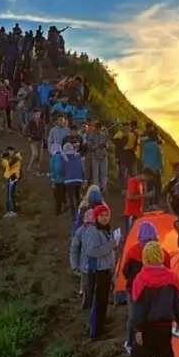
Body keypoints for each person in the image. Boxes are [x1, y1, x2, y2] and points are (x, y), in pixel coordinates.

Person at [130, 242, 179, 357]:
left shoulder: (140, 279)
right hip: (165, 325)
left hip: (146, 326)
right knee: (165, 356)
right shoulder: (172, 277)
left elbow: (137, 307)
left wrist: (138, 328)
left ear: (145, 257)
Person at [70, 204, 116, 340]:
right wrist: (110, 245)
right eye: (102, 215)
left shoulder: (105, 229)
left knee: (102, 302)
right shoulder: (94, 232)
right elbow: (92, 251)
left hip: (105, 269)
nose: (105, 218)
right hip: (97, 270)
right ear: (96, 217)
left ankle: (99, 328)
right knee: (97, 301)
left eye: (106, 215)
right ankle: (94, 332)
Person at [61, 142, 86, 224]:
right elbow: (82, 168)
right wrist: (84, 179)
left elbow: (62, 169)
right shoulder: (77, 156)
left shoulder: (64, 157)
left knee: (71, 199)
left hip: (69, 180)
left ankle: (74, 217)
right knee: (78, 196)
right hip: (78, 179)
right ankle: (81, 215)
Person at [113, 120, 140, 191]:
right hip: (122, 156)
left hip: (131, 155)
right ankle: (123, 189)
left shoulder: (134, 134)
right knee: (122, 173)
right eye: (126, 127)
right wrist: (125, 137)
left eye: (128, 127)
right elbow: (118, 145)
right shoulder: (119, 134)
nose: (127, 129)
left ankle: (134, 188)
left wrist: (135, 151)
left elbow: (136, 144)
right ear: (123, 128)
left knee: (133, 173)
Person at [85, 120, 110, 192]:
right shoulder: (91, 135)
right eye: (97, 128)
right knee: (95, 173)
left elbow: (107, 145)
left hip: (103, 155)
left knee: (104, 173)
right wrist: (98, 145)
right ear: (95, 128)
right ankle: (96, 189)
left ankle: (103, 188)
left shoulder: (104, 134)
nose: (98, 129)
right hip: (95, 156)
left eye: (100, 128)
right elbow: (89, 146)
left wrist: (105, 145)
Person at [1, 146, 22, 219]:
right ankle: (9, 211)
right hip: (9, 178)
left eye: (10, 151)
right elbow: (5, 168)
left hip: (13, 178)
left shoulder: (17, 157)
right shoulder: (9, 159)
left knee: (10, 195)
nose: (9, 153)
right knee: (8, 195)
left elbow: (10, 164)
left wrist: (5, 159)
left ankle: (12, 211)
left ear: (13, 151)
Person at [26, 110, 46, 175]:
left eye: (39, 114)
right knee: (35, 154)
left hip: (40, 140)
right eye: (37, 114)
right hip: (33, 141)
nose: (38, 116)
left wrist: (44, 137)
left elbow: (44, 131)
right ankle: (29, 166)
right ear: (34, 115)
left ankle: (36, 170)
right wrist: (29, 136)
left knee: (40, 157)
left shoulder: (42, 122)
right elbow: (25, 131)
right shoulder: (30, 123)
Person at [49, 147, 67, 216]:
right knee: (63, 194)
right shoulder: (63, 156)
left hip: (57, 179)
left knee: (58, 196)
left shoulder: (54, 157)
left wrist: (53, 177)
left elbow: (55, 168)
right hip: (65, 179)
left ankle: (58, 212)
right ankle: (65, 205)